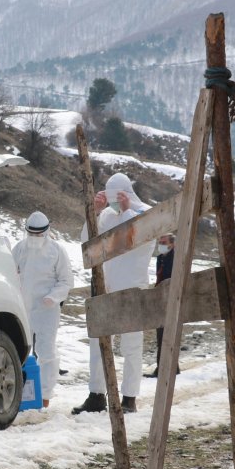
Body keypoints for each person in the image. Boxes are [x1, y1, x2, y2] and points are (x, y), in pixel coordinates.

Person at [73, 173, 156, 414]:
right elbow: (86, 242)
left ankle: (129, 397)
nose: (113, 205)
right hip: (105, 288)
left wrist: (128, 213)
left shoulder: (143, 213)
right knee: (98, 344)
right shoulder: (107, 215)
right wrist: (96, 213)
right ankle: (97, 393)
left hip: (132, 288)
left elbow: (139, 241)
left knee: (130, 345)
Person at [11, 211, 74, 409]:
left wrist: (53, 297)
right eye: (32, 234)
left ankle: (45, 394)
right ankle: (18, 394)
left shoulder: (57, 251)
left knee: (46, 351)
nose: (35, 239)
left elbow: (66, 281)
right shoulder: (19, 249)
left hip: (47, 309)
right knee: (20, 350)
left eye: (39, 235)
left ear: (46, 232)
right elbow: (11, 274)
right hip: (23, 307)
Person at [145, 233, 181, 378]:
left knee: (167, 333)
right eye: (160, 242)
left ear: (172, 244)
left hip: (172, 298)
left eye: (163, 242)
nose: (161, 244)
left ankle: (163, 368)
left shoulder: (176, 257)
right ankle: (172, 367)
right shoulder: (160, 258)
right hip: (161, 298)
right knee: (161, 334)